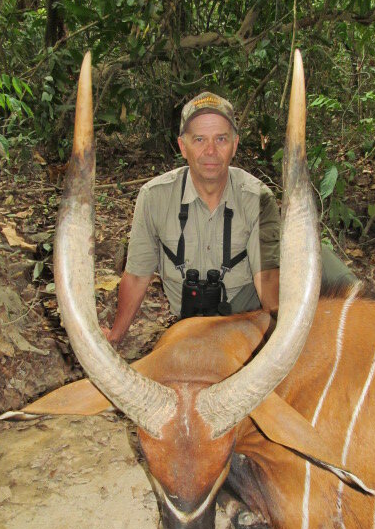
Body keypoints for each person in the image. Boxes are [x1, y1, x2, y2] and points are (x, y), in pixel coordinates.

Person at [103, 92, 354, 345]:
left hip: (245, 314)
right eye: (199, 139)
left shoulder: (257, 197)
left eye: (221, 139)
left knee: (320, 258)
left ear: (234, 144)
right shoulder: (154, 197)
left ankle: (361, 332)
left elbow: (266, 276)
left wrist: (278, 337)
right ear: (182, 146)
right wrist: (116, 335)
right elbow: (136, 277)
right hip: (188, 324)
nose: (210, 151)